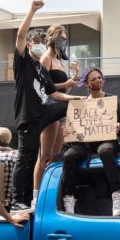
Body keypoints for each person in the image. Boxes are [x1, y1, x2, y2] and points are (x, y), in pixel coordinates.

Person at [11, 0, 85, 211]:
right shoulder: (23, 62)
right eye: (35, 42)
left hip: (43, 111)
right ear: (29, 45)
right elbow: (19, 36)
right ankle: (20, 200)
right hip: (28, 115)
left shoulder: (41, 69)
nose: (39, 45)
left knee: (68, 108)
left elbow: (54, 94)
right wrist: (32, 11)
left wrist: (78, 100)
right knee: (27, 157)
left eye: (42, 41)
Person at [60, 67, 120, 216]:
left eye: (100, 77)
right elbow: (74, 126)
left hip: (106, 140)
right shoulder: (80, 104)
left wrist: (118, 127)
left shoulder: (111, 100)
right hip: (85, 144)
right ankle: (69, 197)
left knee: (105, 151)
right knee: (69, 156)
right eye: (94, 79)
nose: (98, 81)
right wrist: (68, 132)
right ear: (86, 84)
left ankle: (116, 195)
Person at [35, 25, 80, 209]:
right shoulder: (46, 58)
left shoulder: (59, 59)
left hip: (62, 108)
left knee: (55, 154)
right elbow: (45, 87)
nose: (64, 40)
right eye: (62, 37)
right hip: (50, 106)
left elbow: (62, 89)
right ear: (53, 38)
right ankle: (36, 196)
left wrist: (72, 82)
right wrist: (66, 83)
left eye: (66, 37)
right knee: (44, 155)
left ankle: (49, 193)